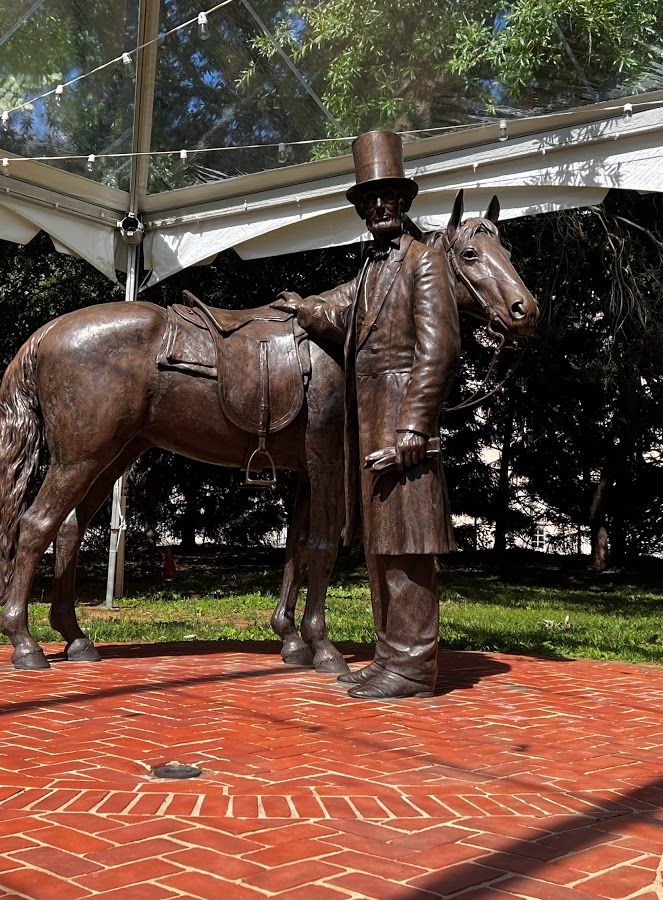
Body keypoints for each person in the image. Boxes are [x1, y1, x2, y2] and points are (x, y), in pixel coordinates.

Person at [274, 131, 461, 700]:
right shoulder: (373, 269)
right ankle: (390, 656)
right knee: (383, 546)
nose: (379, 207)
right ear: (361, 209)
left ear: (403, 203)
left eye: (388, 197)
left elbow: (439, 348)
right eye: (369, 200)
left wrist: (414, 427)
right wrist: (307, 311)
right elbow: (350, 325)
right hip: (370, 424)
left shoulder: (424, 261)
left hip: (401, 421)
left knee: (409, 544)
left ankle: (414, 664)